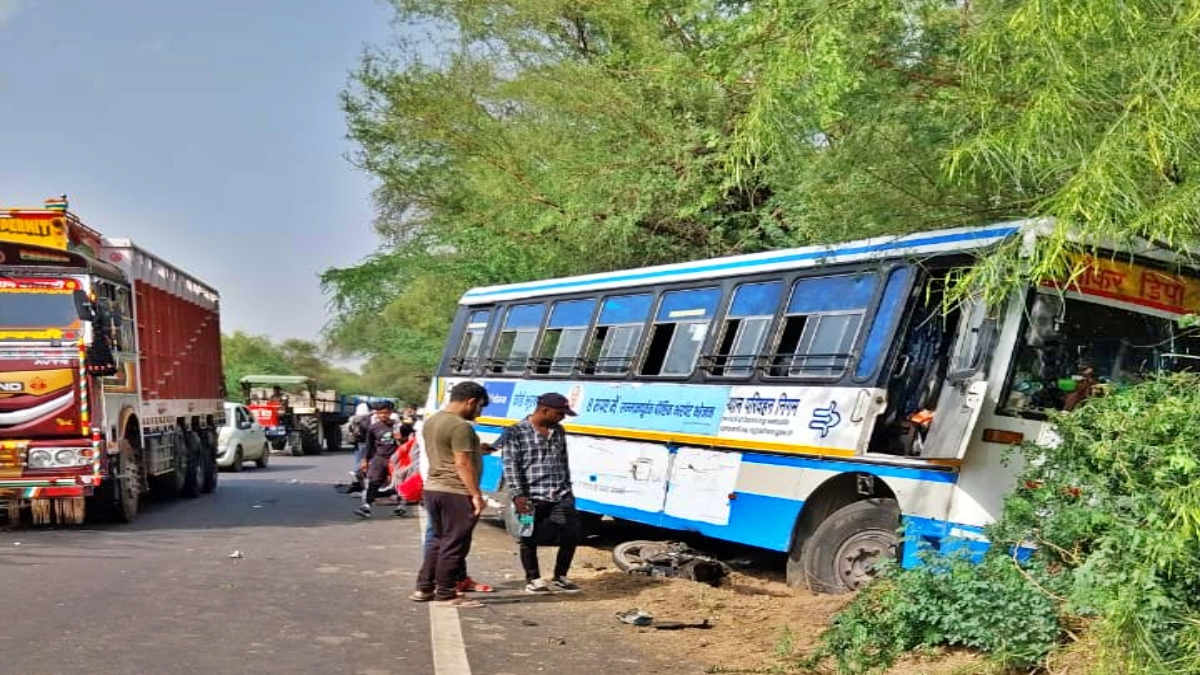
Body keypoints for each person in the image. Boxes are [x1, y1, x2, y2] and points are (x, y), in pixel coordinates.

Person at [411, 381, 490, 607]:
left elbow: (446, 450)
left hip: (433, 489)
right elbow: (462, 464)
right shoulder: (460, 426)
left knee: (437, 540)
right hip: (455, 491)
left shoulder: (433, 421)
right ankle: (446, 593)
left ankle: (424, 588)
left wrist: (478, 449)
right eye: (480, 407)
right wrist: (476, 495)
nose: (479, 413)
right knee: (454, 544)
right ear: (471, 401)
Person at [495, 392, 582, 594]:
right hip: (530, 496)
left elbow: (563, 462)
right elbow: (511, 466)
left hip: (560, 494)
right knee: (528, 537)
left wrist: (569, 489)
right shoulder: (515, 432)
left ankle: (560, 576)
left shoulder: (559, 431)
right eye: (560, 413)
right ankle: (533, 579)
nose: (563, 417)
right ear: (545, 410)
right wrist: (518, 495)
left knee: (571, 534)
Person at [354, 401, 406, 519]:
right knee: (374, 481)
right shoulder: (373, 428)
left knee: (399, 483)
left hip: (396, 458)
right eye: (380, 413)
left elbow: (409, 442)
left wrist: (401, 438)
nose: (383, 415)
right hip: (380, 457)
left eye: (386, 413)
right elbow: (369, 445)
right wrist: (365, 460)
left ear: (391, 413)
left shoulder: (398, 426)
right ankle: (366, 507)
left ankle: (402, 506)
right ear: (376, 413)